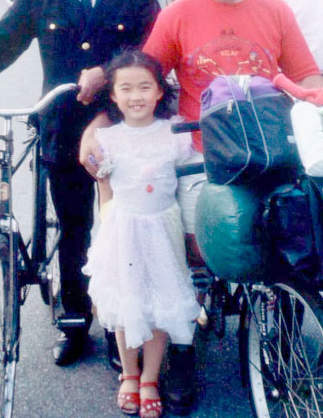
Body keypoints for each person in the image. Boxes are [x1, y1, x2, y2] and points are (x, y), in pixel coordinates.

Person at [82, 0, 323, 414]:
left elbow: (307, 76)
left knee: (287, 235)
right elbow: (140, 79)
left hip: (269, 148)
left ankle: (283, 336)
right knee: (196, 249)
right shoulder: (179, 15)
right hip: (201, 152)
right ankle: (182, 348)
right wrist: (98, 126)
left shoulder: (275, 9)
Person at [0, 0, 160, 368]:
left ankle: (125, 327)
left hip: (123, 126)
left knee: (127, 226)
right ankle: (75, 321)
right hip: (60, 128)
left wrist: (108, 74)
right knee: (75, 227)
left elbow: (153, 55)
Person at [83, 50, 201, 418]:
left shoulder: (175, 133)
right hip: (124, 230)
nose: (136, 96)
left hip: (162, 230)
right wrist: (103, 236)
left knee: (161, 302)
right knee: (126, 303)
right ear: (113, 95)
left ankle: (150, 377)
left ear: (160, 91)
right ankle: (129, 374)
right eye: (127, 88)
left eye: (145, 87)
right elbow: (104, 191)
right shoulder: (107, 138)